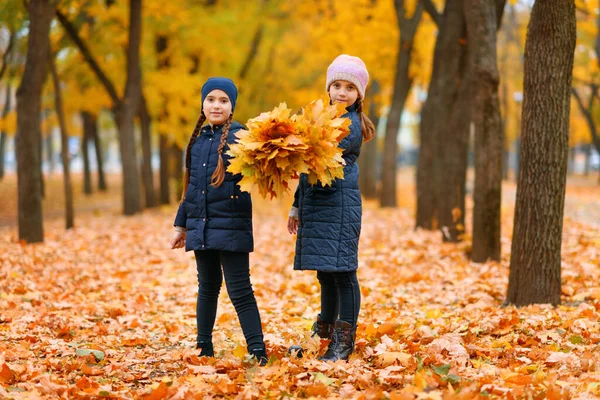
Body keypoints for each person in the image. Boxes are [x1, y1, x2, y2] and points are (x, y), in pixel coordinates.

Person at [170, 77, 268, 366]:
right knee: (207, 287)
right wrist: (181, 226)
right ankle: (204, 346)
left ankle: (258, 350)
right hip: (202, 225)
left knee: (240, 290)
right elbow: (190, 188)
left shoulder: (242, 138)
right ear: (203, 104)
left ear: (232, 106)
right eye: (211, 99)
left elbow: (261, 169)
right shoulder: (198, 142)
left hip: (232, 226)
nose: (216, 105)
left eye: (223, 100)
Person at [288, 55, 375, 361]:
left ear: (358, 94)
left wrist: (294, 143)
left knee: (343, 274)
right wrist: (296, 207)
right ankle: (323, 334)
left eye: (349, 87)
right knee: (326, 273)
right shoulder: (320, 120)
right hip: (318, 205)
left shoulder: (349, 125)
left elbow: (316, 154)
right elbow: (306, 170)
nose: (341, 92)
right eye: (337, 85)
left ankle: (344, 340)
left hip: (339, 205)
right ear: (328, 88)